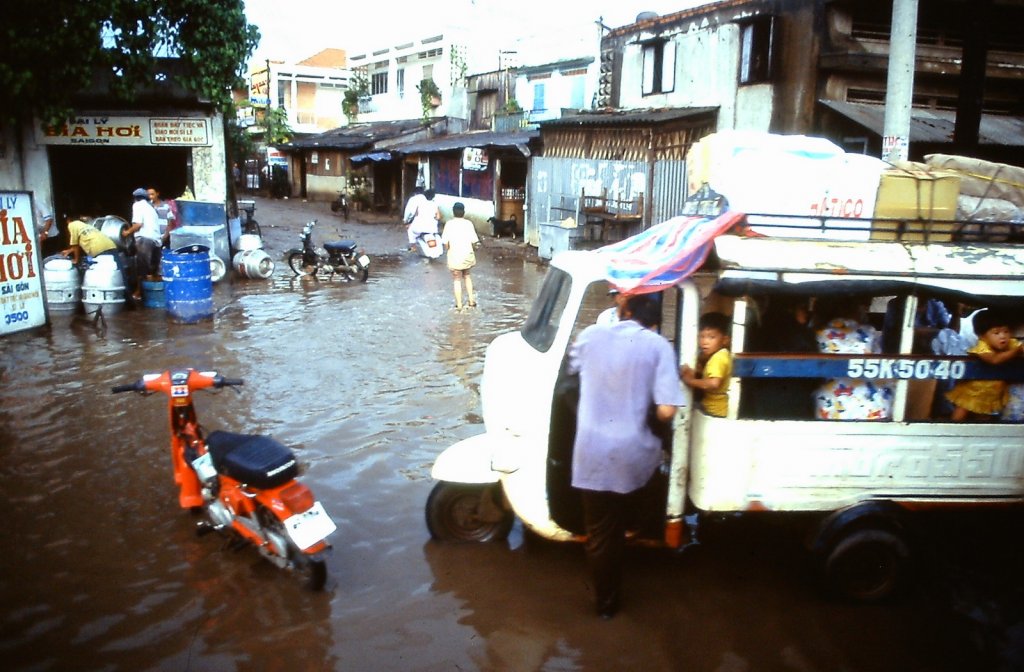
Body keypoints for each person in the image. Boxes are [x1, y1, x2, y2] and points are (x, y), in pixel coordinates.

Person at [567, 293, 685, 619]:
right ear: (656, 320)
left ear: (624, 310)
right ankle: (634, 530)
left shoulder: (590, 335)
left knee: (601, 533)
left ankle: (606, 606)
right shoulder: (659, 345)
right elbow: (666, 410)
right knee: (628, 513)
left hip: (590, 453)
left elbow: (570, 370)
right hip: (633, 457)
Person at [812, 297, 894, 421]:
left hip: (831, 395)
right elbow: (878, 360)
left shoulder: (819, 333)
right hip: (873, 400)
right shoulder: (868, 331)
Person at [946, 309, 1024, 422]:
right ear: (982, 336)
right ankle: (951, 430)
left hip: (993, 392)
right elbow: (994, 360)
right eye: (996, 333)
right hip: (974, 390)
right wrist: (1016, 351)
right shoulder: (982, 347)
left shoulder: (1011, 344)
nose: (1003, 336)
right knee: (962, 410)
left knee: (984, 416)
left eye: (1006, 332)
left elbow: (1020, 347)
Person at [681, 312, 732, 417]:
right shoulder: (721, 355)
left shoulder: (719, 358)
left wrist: (690, 381)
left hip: (714, 411)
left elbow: (714, 383)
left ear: (725, 340)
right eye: (702, 336)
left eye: (711, 337)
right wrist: (694, 372)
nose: (705, 342)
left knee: (684, 409)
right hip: (714, 408)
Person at [123, 187, 161, 300]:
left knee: (141, 269)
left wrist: (127, 232)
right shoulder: (151, 208)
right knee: (152, 270)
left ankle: (139, 293)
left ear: (136, 198)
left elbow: (138, 224)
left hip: (145, 240)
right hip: (156, 241)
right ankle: (153, 295)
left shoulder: (138, 205)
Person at [440, 202, 479, 310]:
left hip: (455, 254)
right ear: (463, 212)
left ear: (453, 212)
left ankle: (459, 306)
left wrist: (449, 250)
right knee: (467, 275)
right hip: (467, 253)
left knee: (457, 279)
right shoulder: (469, 224)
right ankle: (471, 301)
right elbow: (474, 241)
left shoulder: (449, 224)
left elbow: (445, 243)